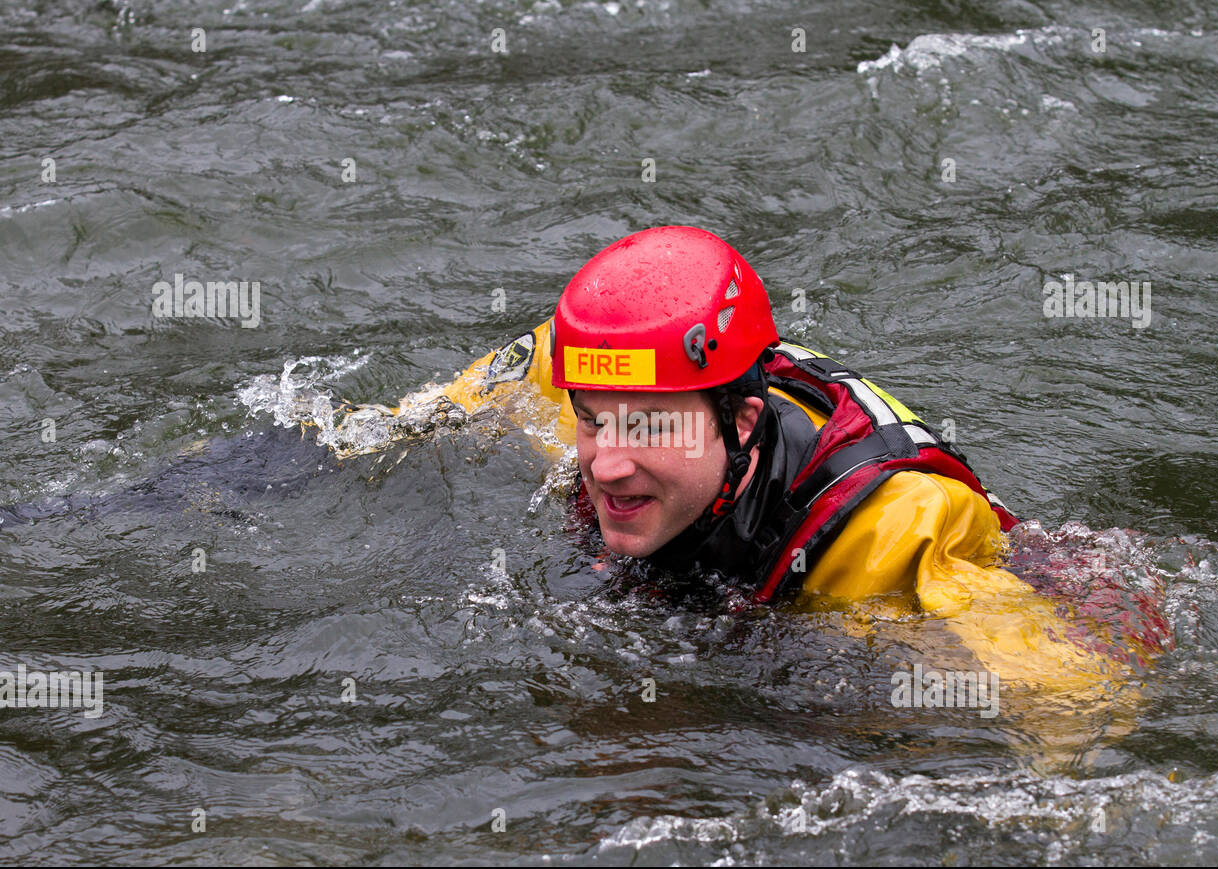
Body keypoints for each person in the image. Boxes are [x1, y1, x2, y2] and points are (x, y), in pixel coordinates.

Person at [426, 227, 1171, 701]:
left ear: (742, 421)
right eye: (592, 423)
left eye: (649, 429)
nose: (608, 465)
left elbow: (1074, 696)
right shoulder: (586, 356)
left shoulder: (893, 534)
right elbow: (390, 430)